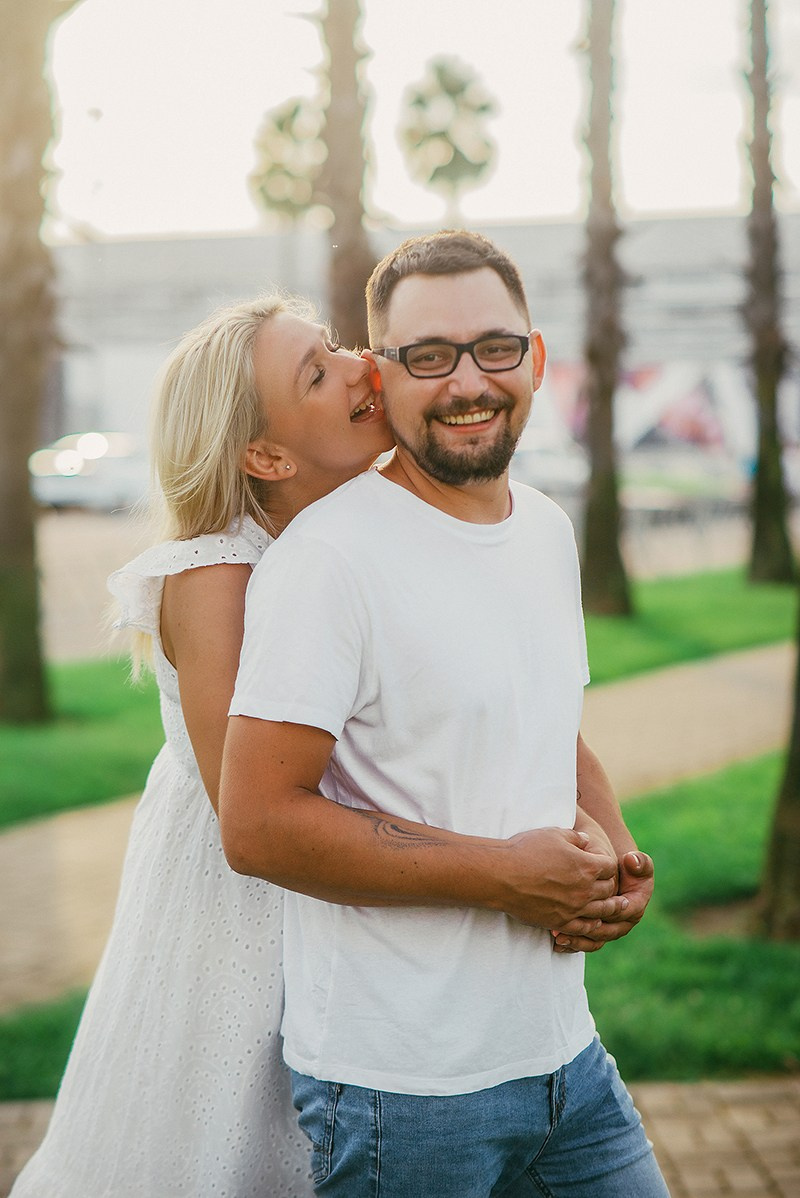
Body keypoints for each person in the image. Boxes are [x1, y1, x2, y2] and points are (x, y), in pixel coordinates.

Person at [11, 288, 648, 1198]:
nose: (360, 367)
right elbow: (262, 810)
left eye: (343, 347)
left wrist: (602, 838)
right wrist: (508, 867)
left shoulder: (399, 526)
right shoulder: (221, 575)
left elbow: (514, 703)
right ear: (265, 452)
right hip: (255, 924)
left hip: (399, 917)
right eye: (318, 371)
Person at [219, 232, 669, 1196]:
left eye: (494, 348)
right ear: (381, 376)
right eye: (428, 356)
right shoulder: (329, 562)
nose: (468, 381)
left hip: (565, 1055)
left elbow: (543, 712)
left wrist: (618, 849)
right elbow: (257, 825)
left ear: (536, 360)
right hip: (403, 1092)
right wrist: (508, 877)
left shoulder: (546, 529)